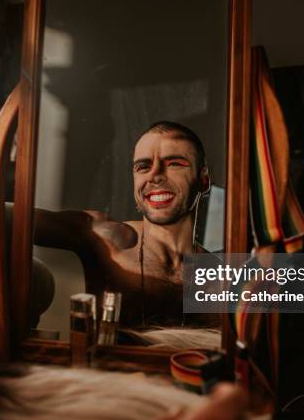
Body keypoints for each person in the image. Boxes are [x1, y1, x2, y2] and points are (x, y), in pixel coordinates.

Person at [34, 121, 215, 327]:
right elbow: (8, 218)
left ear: (203, 180)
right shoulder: (106, 237)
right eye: (143, 166)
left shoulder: (220, 273)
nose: (154, 175)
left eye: (174, 163)